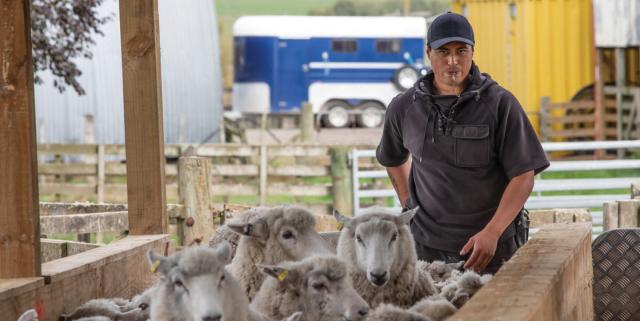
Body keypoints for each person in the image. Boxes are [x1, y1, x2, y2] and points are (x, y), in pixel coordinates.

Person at [376, 12, 549, 274]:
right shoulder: (404, 107)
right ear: (428, 53)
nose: (453, 61)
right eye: (443, 51)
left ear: (473, 51)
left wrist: (492, 232)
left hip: (491, 249)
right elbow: (392, 158)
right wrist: (409, 206)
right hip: (425, 250)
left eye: (461, 50)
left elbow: (523, 175)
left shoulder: (500, 104)